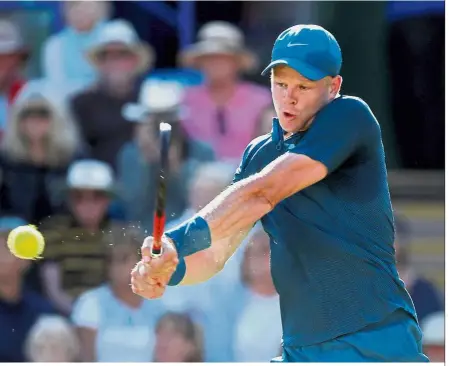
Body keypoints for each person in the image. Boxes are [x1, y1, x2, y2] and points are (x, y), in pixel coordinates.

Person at [131, 24, 428, 362]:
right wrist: (169, 268)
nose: (289, 97)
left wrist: (174, 240)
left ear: (334, 87)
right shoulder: (258, 154)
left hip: (374, 344)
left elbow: (263, 192)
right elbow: (214, 254)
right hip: (301, 350)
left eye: (304, 86)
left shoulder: (350, 116)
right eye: (280, 84)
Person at [71, 226, 165, 362]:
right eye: (111, 260)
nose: (116, 267)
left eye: (123, 259)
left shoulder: (159, 303)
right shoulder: (90, 303)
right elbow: (86, 359)